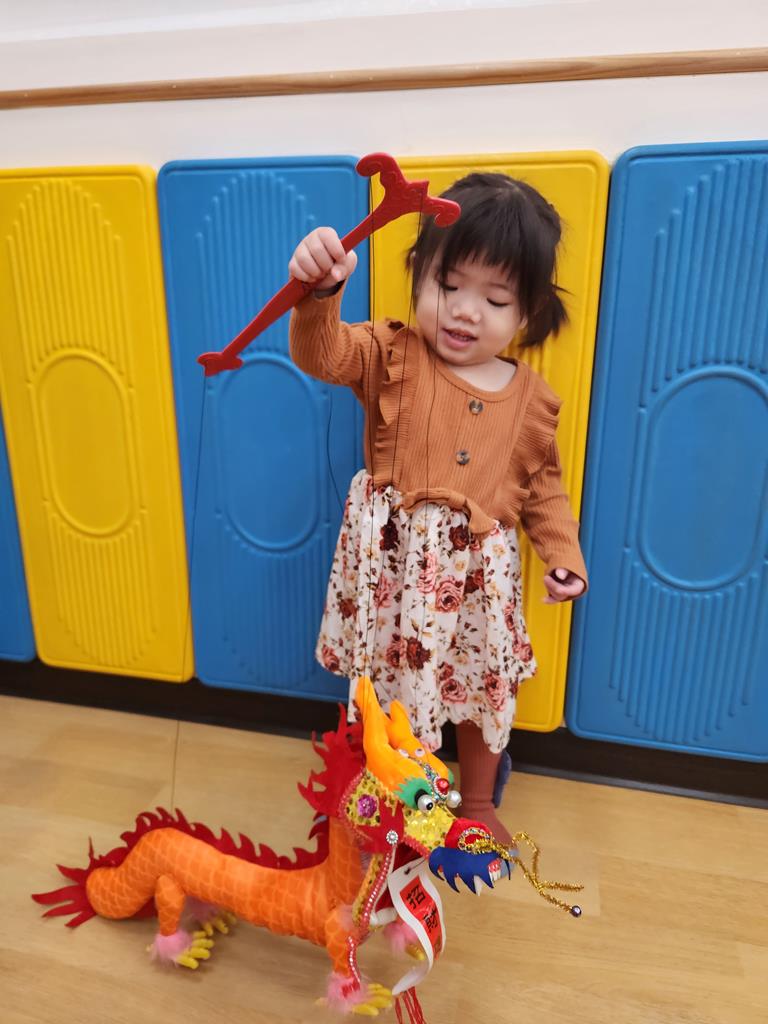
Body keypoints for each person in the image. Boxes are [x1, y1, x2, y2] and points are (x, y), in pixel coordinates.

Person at [288, 172, 587, 845]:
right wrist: (320, 295)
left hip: (477, 582)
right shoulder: (391, 352)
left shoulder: (530, 398)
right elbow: (321, 354)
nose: (465, 312)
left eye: (496, 298)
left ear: (527, 313)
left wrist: (563, 554)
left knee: (483, 687)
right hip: (397, 575)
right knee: (387, 691)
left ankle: (477, 801)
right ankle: (389, 793)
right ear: (419, 273)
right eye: (449, 285)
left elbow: (543, 487)